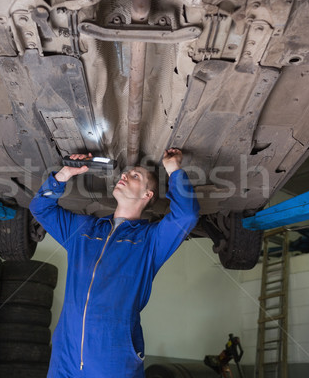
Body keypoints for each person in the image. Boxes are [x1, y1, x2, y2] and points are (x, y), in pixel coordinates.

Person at [30, 148, 200, 378]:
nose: (124, 176)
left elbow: (186, 216)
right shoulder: (84, 230)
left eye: (135, 176)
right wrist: (65, 173)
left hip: (113, 359)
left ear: (147, 195)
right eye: (126, 174)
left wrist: (173, 169)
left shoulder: (150, 242)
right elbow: (40, 208)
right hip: (65, 358)